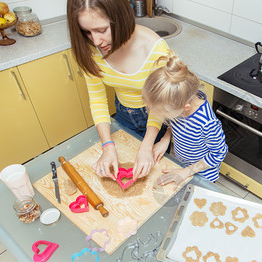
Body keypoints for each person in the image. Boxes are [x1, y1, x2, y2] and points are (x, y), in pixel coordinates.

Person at [67, 0, 169, 180]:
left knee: (153, 174)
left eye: (101, 30)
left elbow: (160, 104)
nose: (96, 41)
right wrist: (107, 145)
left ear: (121, 17)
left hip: (155, 117)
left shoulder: (155, 50)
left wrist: (147, 146)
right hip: (122, 114)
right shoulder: (90, 49)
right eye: (87, 32)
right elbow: (97, 98)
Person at [142, 53, 228, 186]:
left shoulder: (207, 123)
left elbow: (219, 153)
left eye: (164, 112)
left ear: (185, 107)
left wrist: (187, 171)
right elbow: (175, 123)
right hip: (181, 164)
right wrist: (165, 139)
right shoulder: (179, 104)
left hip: (202, 174)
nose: (161, 116)